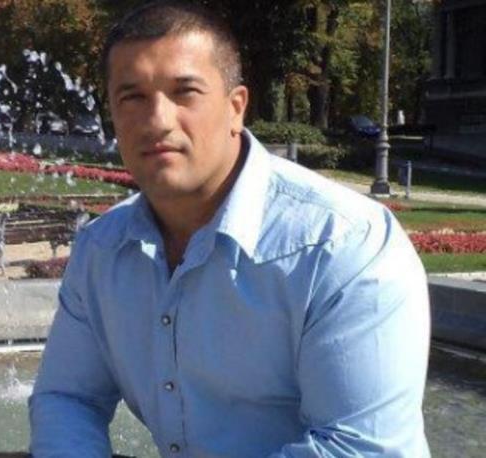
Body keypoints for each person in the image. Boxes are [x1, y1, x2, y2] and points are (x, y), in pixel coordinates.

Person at [29, 2, 430, 457]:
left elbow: (359, 449)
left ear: (236, 107)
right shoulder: (101, 251)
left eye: (185, 92)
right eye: (132, 97)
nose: (157, 120)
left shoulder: (343, 246)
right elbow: (68, 398)